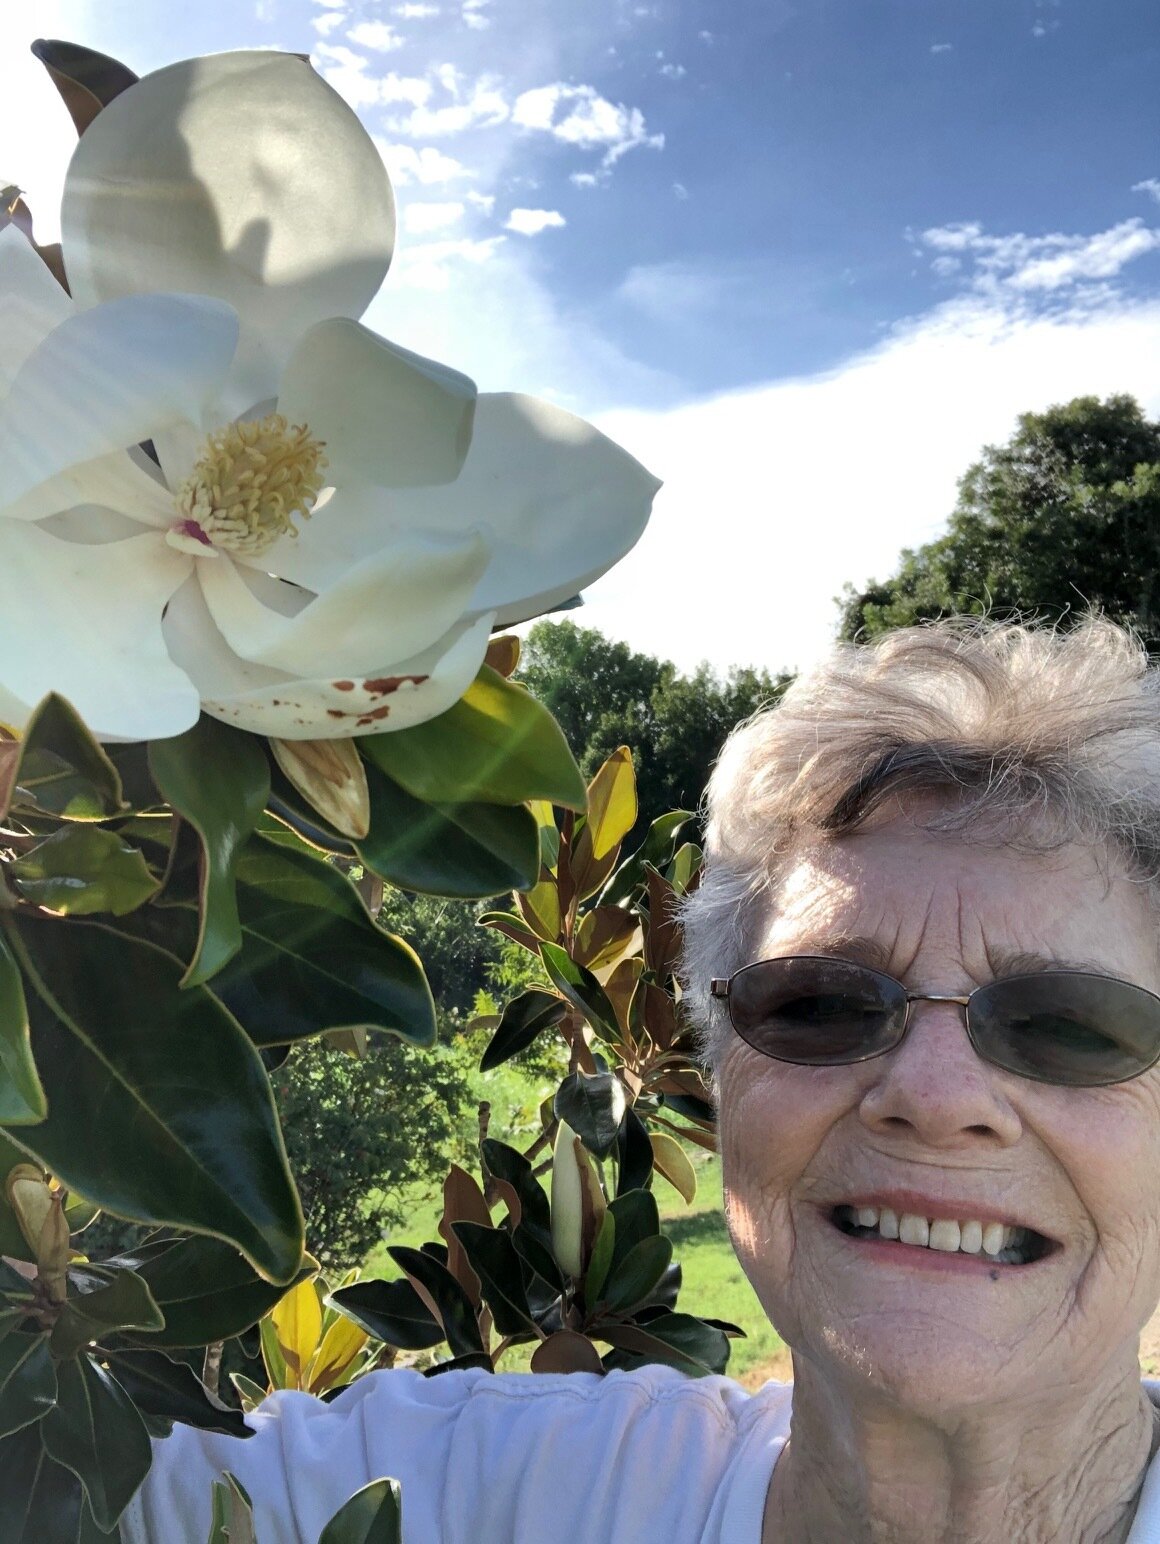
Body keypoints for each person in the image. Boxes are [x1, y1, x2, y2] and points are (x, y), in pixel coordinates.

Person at [123, 616, 1160, 1543]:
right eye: (817, 1004)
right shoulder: (482, 1493)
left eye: (1065, 1025)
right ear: (719, 1074)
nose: (932, 1094)